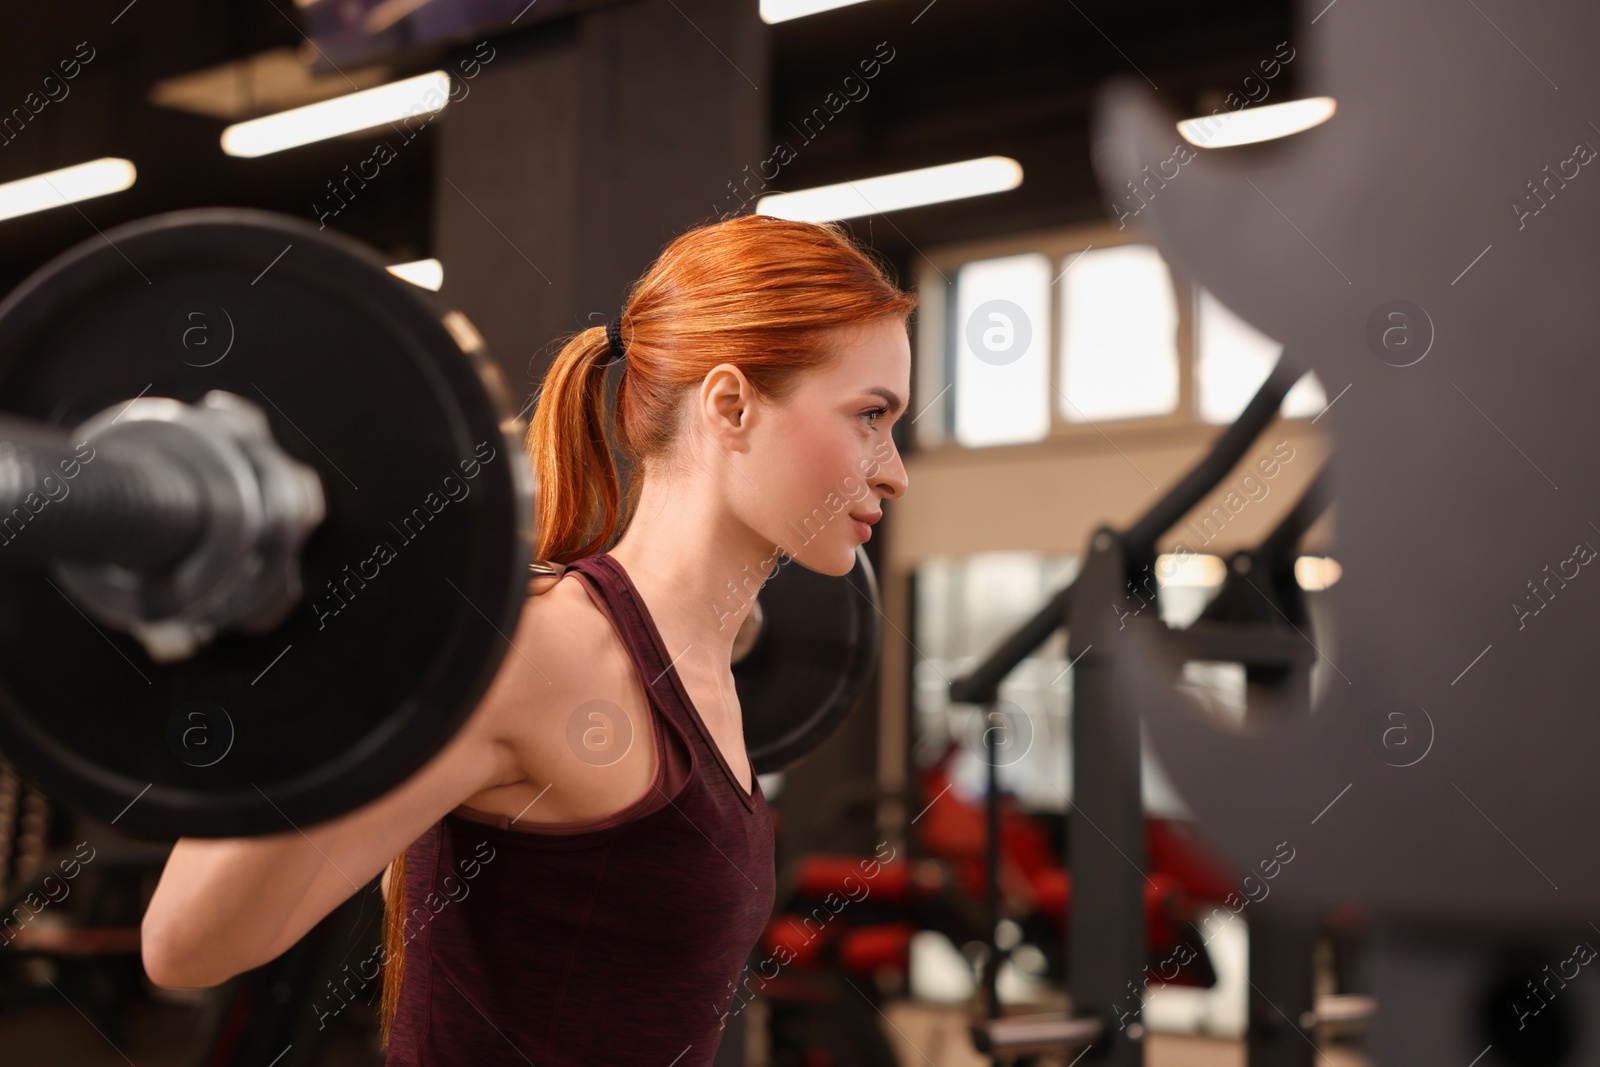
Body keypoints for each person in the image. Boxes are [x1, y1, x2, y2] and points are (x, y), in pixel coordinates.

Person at [139, 212, 915, 1066]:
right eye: (870, 415)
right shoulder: (546, 652)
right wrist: (341, 650)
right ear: (730, 405)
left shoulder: (707, 669)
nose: (894, 470)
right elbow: (185, 944)